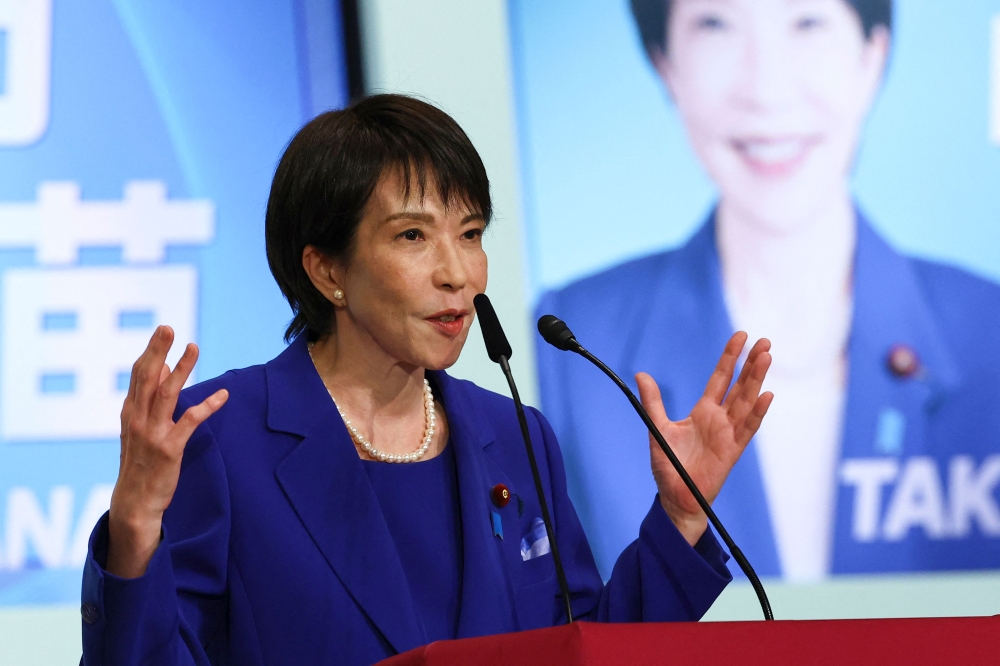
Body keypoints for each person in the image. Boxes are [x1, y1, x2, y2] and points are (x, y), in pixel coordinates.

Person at [80, 94, 774, 665]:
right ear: (327, 271)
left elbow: (582, 649)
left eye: (470, 233)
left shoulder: (514, 435)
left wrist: (683, 516)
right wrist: (136, 530)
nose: (458, 273)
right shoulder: (222, 434)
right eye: (413, 236)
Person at [536, 0, 1000, 585]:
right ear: (664, 64)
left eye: (807, 23)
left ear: (872, 56)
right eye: (716, 26)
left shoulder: (992, 331)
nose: (766, 89)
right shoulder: (572, 352)